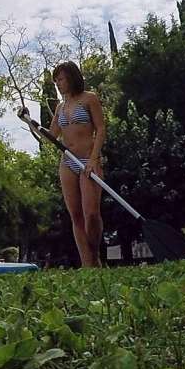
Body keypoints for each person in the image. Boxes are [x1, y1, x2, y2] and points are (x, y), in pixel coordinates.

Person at [48, 61, 107, 268]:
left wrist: (93, 159)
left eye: (61, 79)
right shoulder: (60, 107)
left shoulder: (89, 98)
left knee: (91, 214)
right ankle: (87, 265)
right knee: (76, 216)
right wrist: (29, 122)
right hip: (68, 163)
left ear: (72, 77)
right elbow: (51, 136)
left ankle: (95, 253)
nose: (58, 84)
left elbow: (100, 129)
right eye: (56, 81)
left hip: (89, 161)